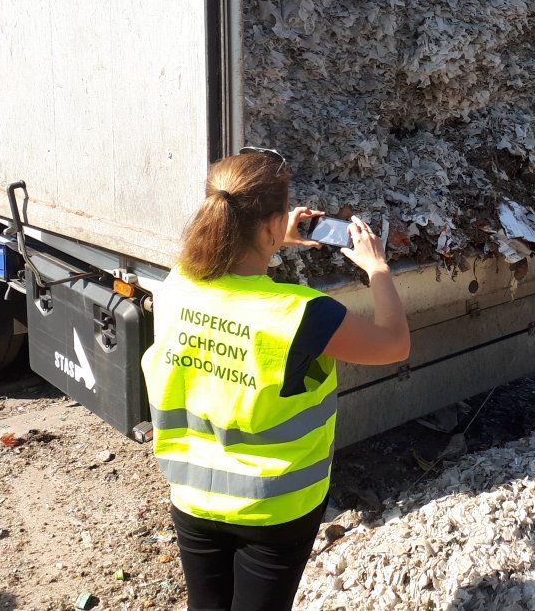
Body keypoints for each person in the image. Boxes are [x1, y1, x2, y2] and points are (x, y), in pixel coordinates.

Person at [140, 148, 410, 611]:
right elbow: (394, 345)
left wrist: (272, 236)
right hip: (274, 507)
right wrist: (377, 268)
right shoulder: (302, 313)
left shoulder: (178, 284)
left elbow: (231, 264)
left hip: (192, 496)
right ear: (270, 223)